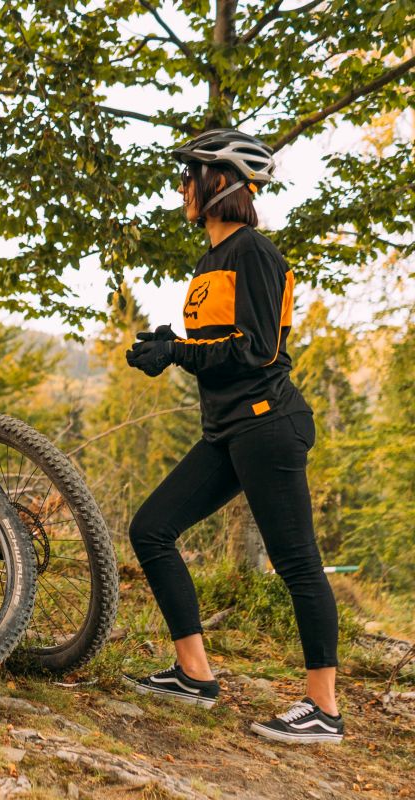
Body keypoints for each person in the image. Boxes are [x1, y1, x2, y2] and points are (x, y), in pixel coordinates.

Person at [122, 129, 344, 745]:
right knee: (151, 528)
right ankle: (194, 674)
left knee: (296, 560)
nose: (182, 187)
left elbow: (256, 348)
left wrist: (180, 353)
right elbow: (216, 337)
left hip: (267, 423)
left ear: (219, 182)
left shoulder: (253, 251)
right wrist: (170, 342)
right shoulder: (208, 259)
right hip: (227, 430)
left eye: (189, 175)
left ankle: (322, 709)